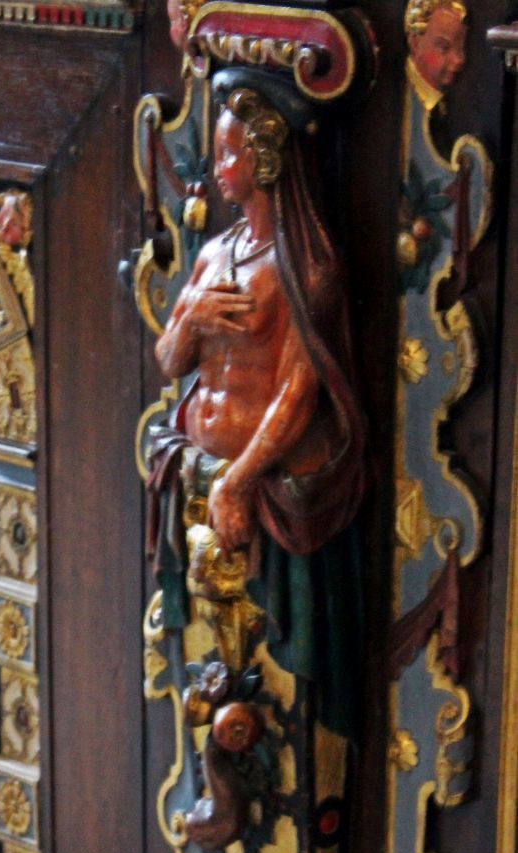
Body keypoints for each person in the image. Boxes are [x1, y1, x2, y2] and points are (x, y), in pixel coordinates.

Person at [148, 72, 366, 739]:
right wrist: (191, 320)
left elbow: (300, 393)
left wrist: (238, 480)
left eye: (228, 155)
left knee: (267, 677)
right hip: (200, 473)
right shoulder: (215, 254)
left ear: (266, 159)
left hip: (259, 485)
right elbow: (169, 360)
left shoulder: (306, 267)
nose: (217, 170)